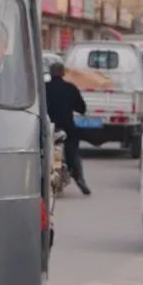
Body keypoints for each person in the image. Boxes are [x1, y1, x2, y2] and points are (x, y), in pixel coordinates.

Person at [45, 62, 91, 195]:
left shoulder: (43, 88)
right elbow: (81, 108)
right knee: (73, 152)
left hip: (47, 129)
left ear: (50, 72)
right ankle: (80, 178)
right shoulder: (70, 88)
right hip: (67, 128)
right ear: (63, 73)